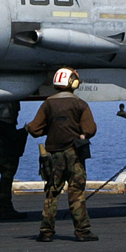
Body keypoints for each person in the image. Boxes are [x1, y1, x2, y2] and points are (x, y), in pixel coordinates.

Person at [24, 67, 98, 242]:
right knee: (76, 191)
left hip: (54, 155)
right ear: (73, 83)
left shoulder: (48, 103)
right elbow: (90, 129)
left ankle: (46, 232)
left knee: (52, 192)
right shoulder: (80, 104)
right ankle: (82, 232)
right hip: (75, 154)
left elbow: (34, 129)